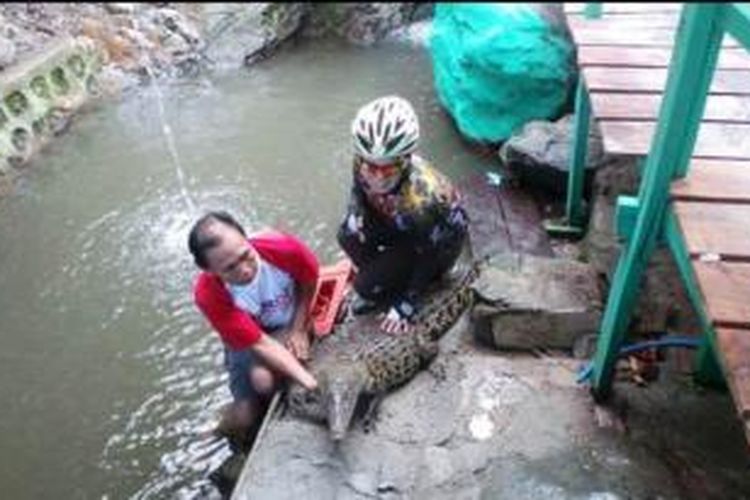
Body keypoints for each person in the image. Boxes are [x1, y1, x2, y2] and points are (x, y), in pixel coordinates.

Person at [337, 95, 469, 334]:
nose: (376, 176)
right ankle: (383, 277)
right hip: (396, 219)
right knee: (347, 234)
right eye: (371, 166)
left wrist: (407, 303)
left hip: (434, 241)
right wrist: (355, 214)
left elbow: (428, 252)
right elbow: (358, 190)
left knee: (366, 287)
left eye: (387, 168)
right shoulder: (361, 161)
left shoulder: (425, 199)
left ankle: (393, 283)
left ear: (405, 160)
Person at [188, 211, 319, 447]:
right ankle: (223, 428)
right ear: (208, 269)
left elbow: (309, 279)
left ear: (246, 238)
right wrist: (309, 382)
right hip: (249, 336)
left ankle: (270, 411)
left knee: (264, 381)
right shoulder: (209, 294)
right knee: (246, 414)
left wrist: (298, 328)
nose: (245, 270)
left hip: (286, 322)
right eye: (230, 269)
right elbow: (259, 342)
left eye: (246, 255)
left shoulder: (283, 248)